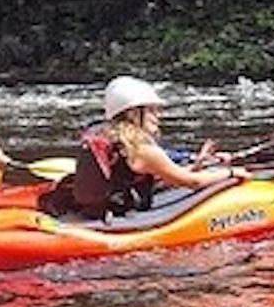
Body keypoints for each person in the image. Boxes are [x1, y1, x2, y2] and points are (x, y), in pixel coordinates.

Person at [43, 76, 246, 220]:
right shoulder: (142, 148)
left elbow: (159, 174)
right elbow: (193, 182)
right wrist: (230, 172)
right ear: (132, 113)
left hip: (87, 208)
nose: (159, 115)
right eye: (152, 110)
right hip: (114, 212)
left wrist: (198, 163)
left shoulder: (106, 133)